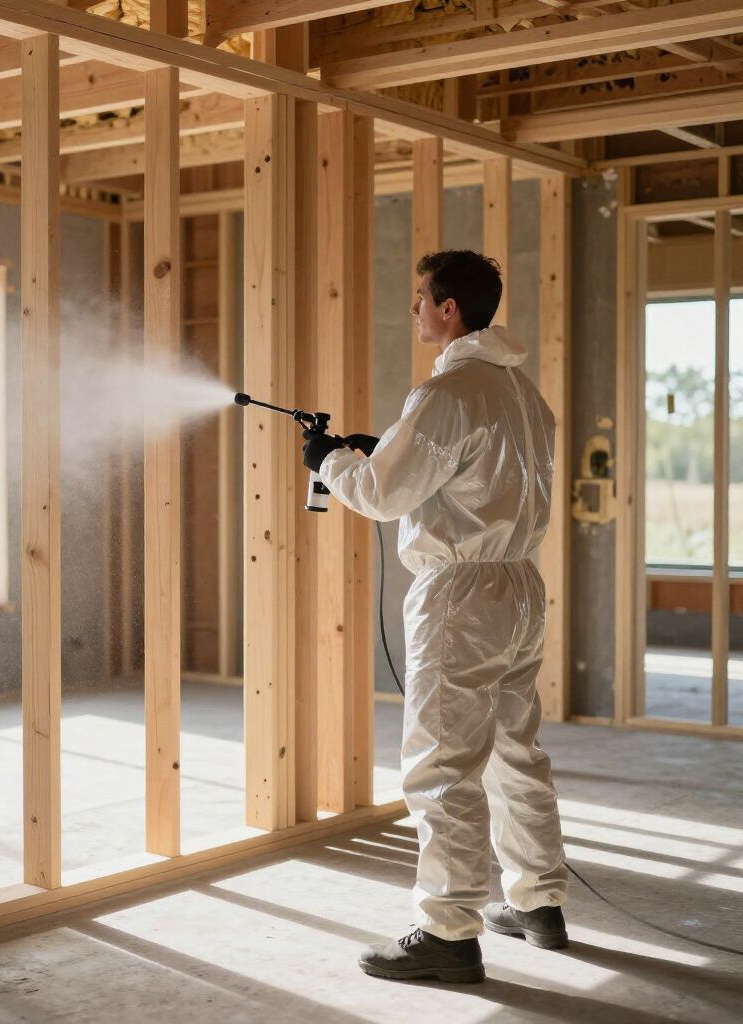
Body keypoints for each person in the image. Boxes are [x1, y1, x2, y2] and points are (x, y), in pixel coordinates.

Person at [301, 250, 568, 985]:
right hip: (518, 588)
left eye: (422, 298)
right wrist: (375, 450)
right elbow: (456, 477)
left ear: (450, 309)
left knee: (442, 763)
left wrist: (329, 461)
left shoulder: (446, 393)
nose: (415, 309)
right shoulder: (519, 391)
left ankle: (449, 931)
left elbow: (383, 496)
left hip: (460, 598)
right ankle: (538, 903)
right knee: (516, 748)